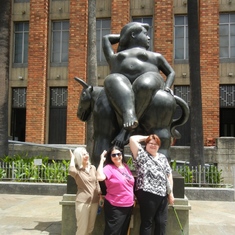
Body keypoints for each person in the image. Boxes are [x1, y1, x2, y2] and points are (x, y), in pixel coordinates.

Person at [103, 22, 175, 137]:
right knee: (111, 79)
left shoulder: (155, 56)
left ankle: (126, 130)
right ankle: (129, 114)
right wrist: (125, 35)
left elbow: (171, 72)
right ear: (133, 35)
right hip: (124, 85)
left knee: (144, 84)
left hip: (151, 80)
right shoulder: (116, 57)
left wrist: (167, 87)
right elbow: (105, 38)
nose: (149, 37)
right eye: (145, 34)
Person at [129, 134, 174, 235]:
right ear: (146, 144)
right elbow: (132, 139)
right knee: (147, 222)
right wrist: (149, 137)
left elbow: (169, 175)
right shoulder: (142, 155)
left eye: (156, 143)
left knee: (162, 222)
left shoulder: (162, 157)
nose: (153, 145)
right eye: (151, 143)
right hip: (147, 193)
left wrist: (170, 193)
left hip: (163, 194)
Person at [96, 146, 135, 235]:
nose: (117, 156)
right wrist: (102, 160)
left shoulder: (125, 166)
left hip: (128, 205)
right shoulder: (109, 168)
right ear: (110, 157)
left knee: (123, 232)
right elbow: (99, 177)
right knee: (112, 232)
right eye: (114, 155)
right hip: (115, 206)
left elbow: (129, 183)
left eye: (119, 154)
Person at [69, 147, 103, 235]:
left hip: (94, 202)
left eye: (86, 153)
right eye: (83, 154)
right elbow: (71, 170)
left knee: (90, 229)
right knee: (82, 229)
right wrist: (72, 158)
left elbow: (96, 182)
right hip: (83, 202)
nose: (86, 156)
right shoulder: (77, 170)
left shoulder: (93, 168)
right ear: (79, 157)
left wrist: (100, 195)